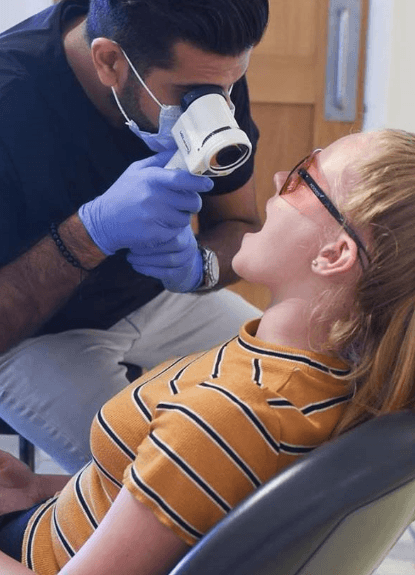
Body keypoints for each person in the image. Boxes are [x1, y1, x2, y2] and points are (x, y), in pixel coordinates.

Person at [1, 128, 415, 575]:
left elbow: (200, 455)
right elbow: (191, 501)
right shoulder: (334, 380)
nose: (277, 178)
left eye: (303, 177)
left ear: (334, 255)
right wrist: (41, 487)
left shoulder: (228, 415)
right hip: (47, 518)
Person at [0, 0, 269, 472]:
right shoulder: (11, 102)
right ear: (110, 63)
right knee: (172, 484)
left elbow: (240, 226)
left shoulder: (208, 74)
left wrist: (201, 268)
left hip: (160, 299)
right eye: (193, 93)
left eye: (230, 83)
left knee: (304, 402)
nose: (216, 107)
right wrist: (90, 232)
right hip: (35, 337)